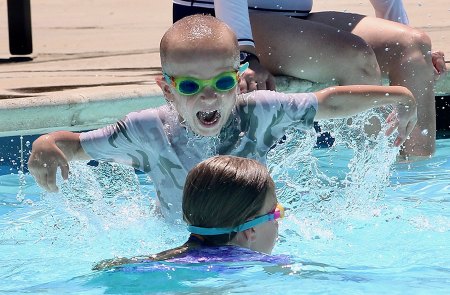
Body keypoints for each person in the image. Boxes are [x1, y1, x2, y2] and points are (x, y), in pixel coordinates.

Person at [28, 14, 417, 221]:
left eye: (221, 81)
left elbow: (328, 102)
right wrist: (46, 144)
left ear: (238, 77)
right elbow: (75, 145)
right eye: (190, 87)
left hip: (254, 229)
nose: (209, 94)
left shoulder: (260, 111)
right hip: (185, 239)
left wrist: (397, 95)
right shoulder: (148, 130)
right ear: (167, 90)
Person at [172, 0, 447, 157]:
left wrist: (405, 34)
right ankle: (366, 190)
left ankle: (414, 182)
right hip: (213, 24)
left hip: (291, 21)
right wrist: (244, 56)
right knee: (355, 58)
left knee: (413, 49)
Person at [93, 155, 290, 270]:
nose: (279, 220)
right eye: (276, 213)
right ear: (251, 230)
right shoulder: (263, 264)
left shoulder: (159, 261)